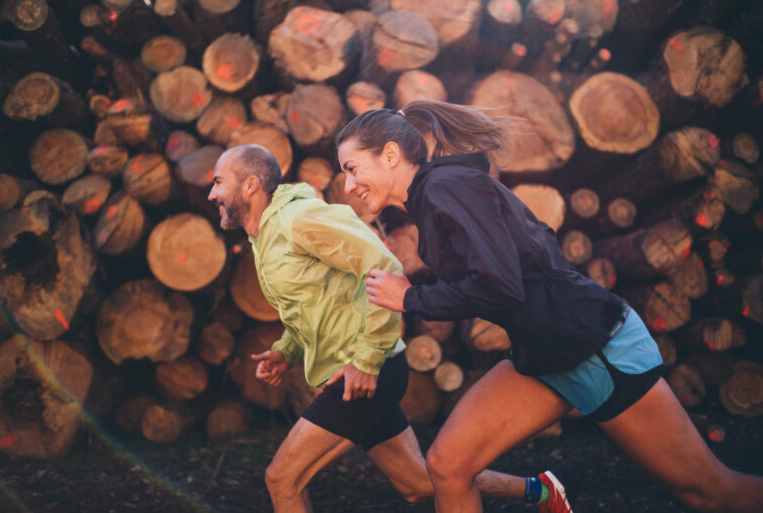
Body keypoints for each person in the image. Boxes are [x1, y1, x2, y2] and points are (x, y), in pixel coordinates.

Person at [336, 100, 763, 513]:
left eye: (352, 169)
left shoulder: (446, 188)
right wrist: (414, 281)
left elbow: (501, 284)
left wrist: (410, 297)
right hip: (544, 355)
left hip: (596, 348)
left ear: (390, 155)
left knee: (708, 493)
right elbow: (489, 267)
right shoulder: (432, 200)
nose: (348, 185)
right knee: (448, 466)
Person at [207, 144, 574, 513]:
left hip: (365, 374)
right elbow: (309, 303)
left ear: (251, 184)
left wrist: (366, 360)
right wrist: (287, 350)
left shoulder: (299, 219)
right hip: (356, 372)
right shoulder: (264, 237)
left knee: (282, 478)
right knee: (416, 483)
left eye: (219, 182)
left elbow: (382, 264)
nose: (212, 193)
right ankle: (543, 492)